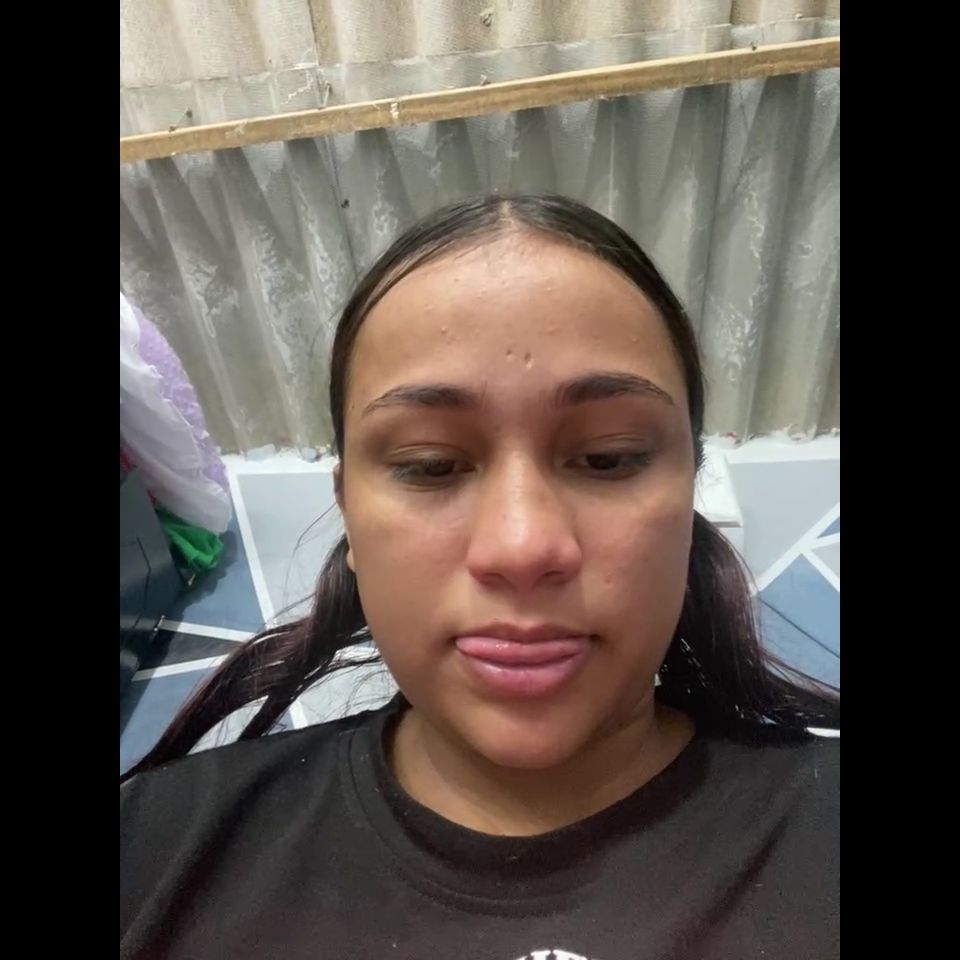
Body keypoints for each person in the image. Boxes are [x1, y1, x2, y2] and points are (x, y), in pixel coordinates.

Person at [120, 194, 839, 960]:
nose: (522, 546)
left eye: (609, 458)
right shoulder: (152, 849)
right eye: (431, 465)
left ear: (690, 489)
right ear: (348, 513)